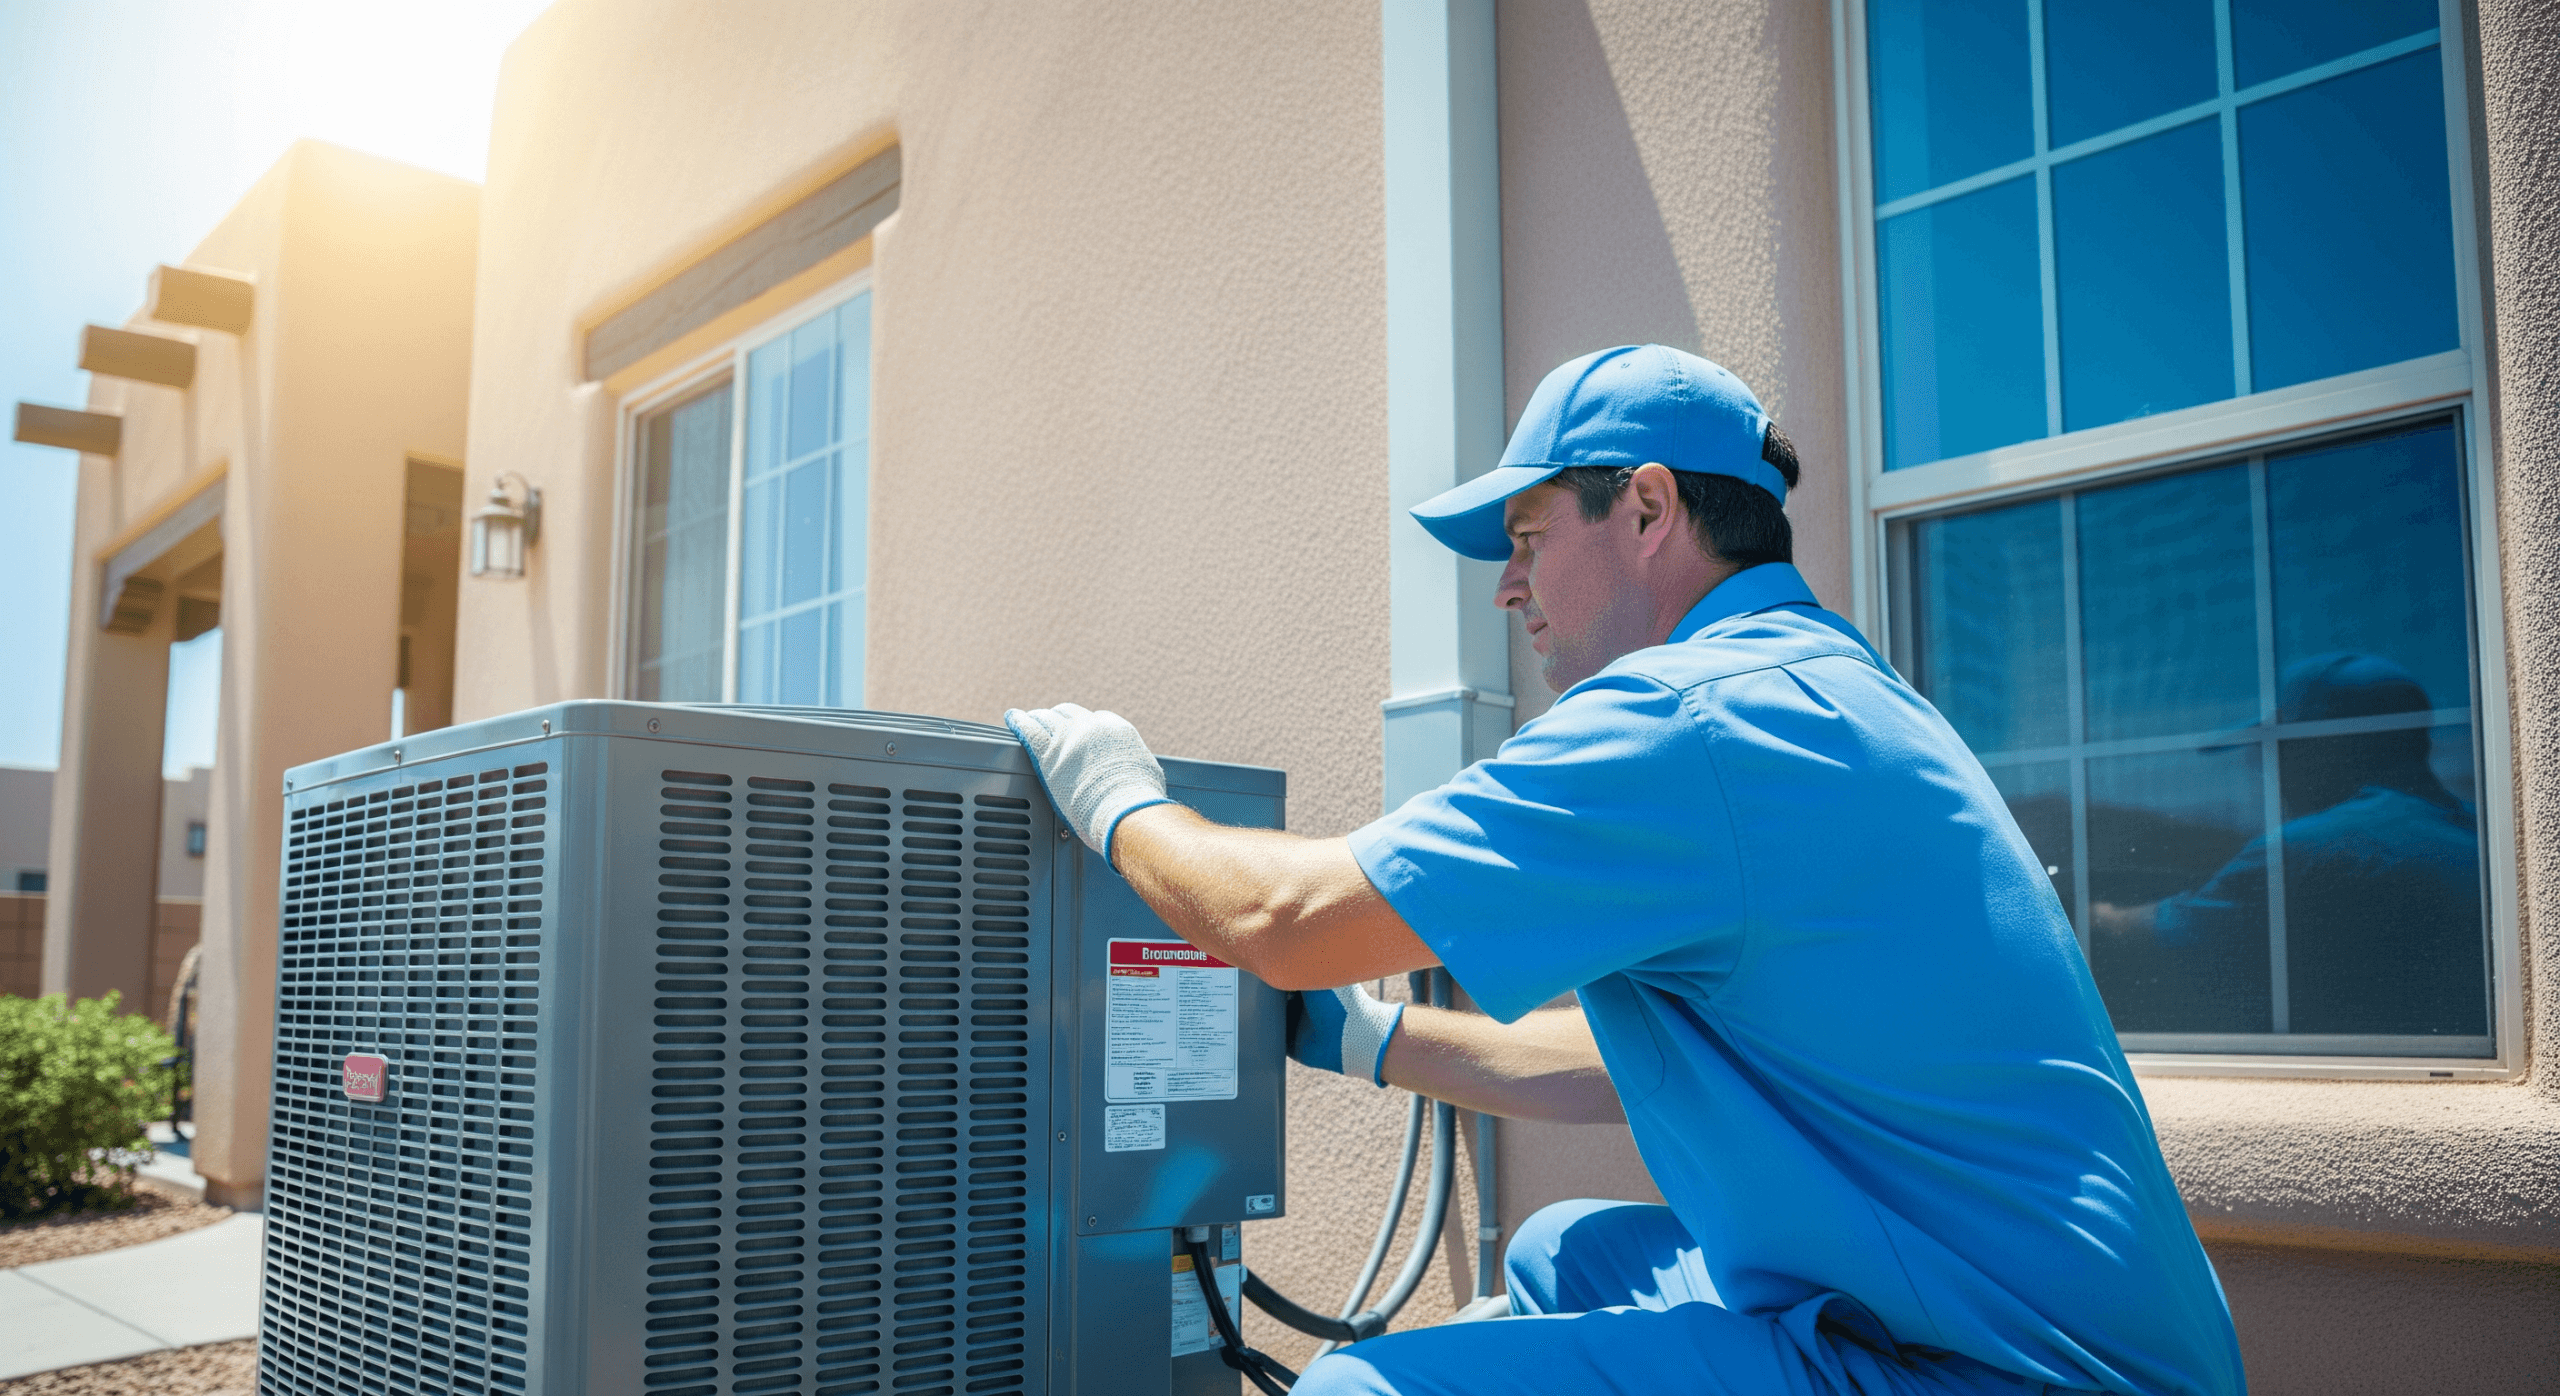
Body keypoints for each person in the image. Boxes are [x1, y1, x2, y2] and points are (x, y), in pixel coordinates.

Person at [1007, 345, 2244, 1395]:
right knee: (1559, 1252)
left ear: (1648, 509)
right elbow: (1678, 1063)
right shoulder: (1840, 690)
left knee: (1354, 1389)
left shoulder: (1690, 719)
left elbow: (1282, 917)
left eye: (1530, 537)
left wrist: (1116, 799)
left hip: (1999, 1369)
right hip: (2060, 1325)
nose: (1508, 586)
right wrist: (1364, 1040)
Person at [2092, 652, 2484, 1037]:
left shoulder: (2307, 852)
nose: (2262, 765)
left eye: (2274, 746)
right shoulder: (2482, 839)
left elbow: (2132, 941)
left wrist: (2087, 908)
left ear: (2320, 746)